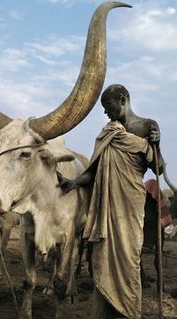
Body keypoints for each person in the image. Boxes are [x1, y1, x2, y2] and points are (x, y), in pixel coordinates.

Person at [58, 84, 165, 318]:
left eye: (108, 106)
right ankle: (106, 310)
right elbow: (93, 172)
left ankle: (128, 310)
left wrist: (156, 145)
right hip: (108, 207)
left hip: (131, 202)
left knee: (130, 258)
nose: (106, 112)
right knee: (104, 256)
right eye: (104, 108)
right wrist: (73, 182)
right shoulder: (108, 134)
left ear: (123, 99)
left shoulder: (148, 126)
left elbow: (159, 168)